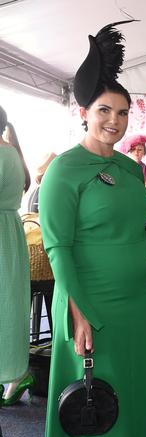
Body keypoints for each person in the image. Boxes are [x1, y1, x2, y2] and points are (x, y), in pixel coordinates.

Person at [39, 22, 146, 437]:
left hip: (137, 304)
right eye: (105, 110)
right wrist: (77, 313)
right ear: (84, 112)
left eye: (124, 112)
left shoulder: (129, 170)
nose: (115, 120)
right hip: (91, 305)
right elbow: (58, 247)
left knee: (131, 395)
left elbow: (135, 234)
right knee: (95, 401)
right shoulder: (64, 171)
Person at [0, 105, 32, 406]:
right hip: (9, 231)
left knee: (6, 305)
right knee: (9, 304)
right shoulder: (12, 152)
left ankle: (12, 373)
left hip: (3, 232)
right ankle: (12, 373)